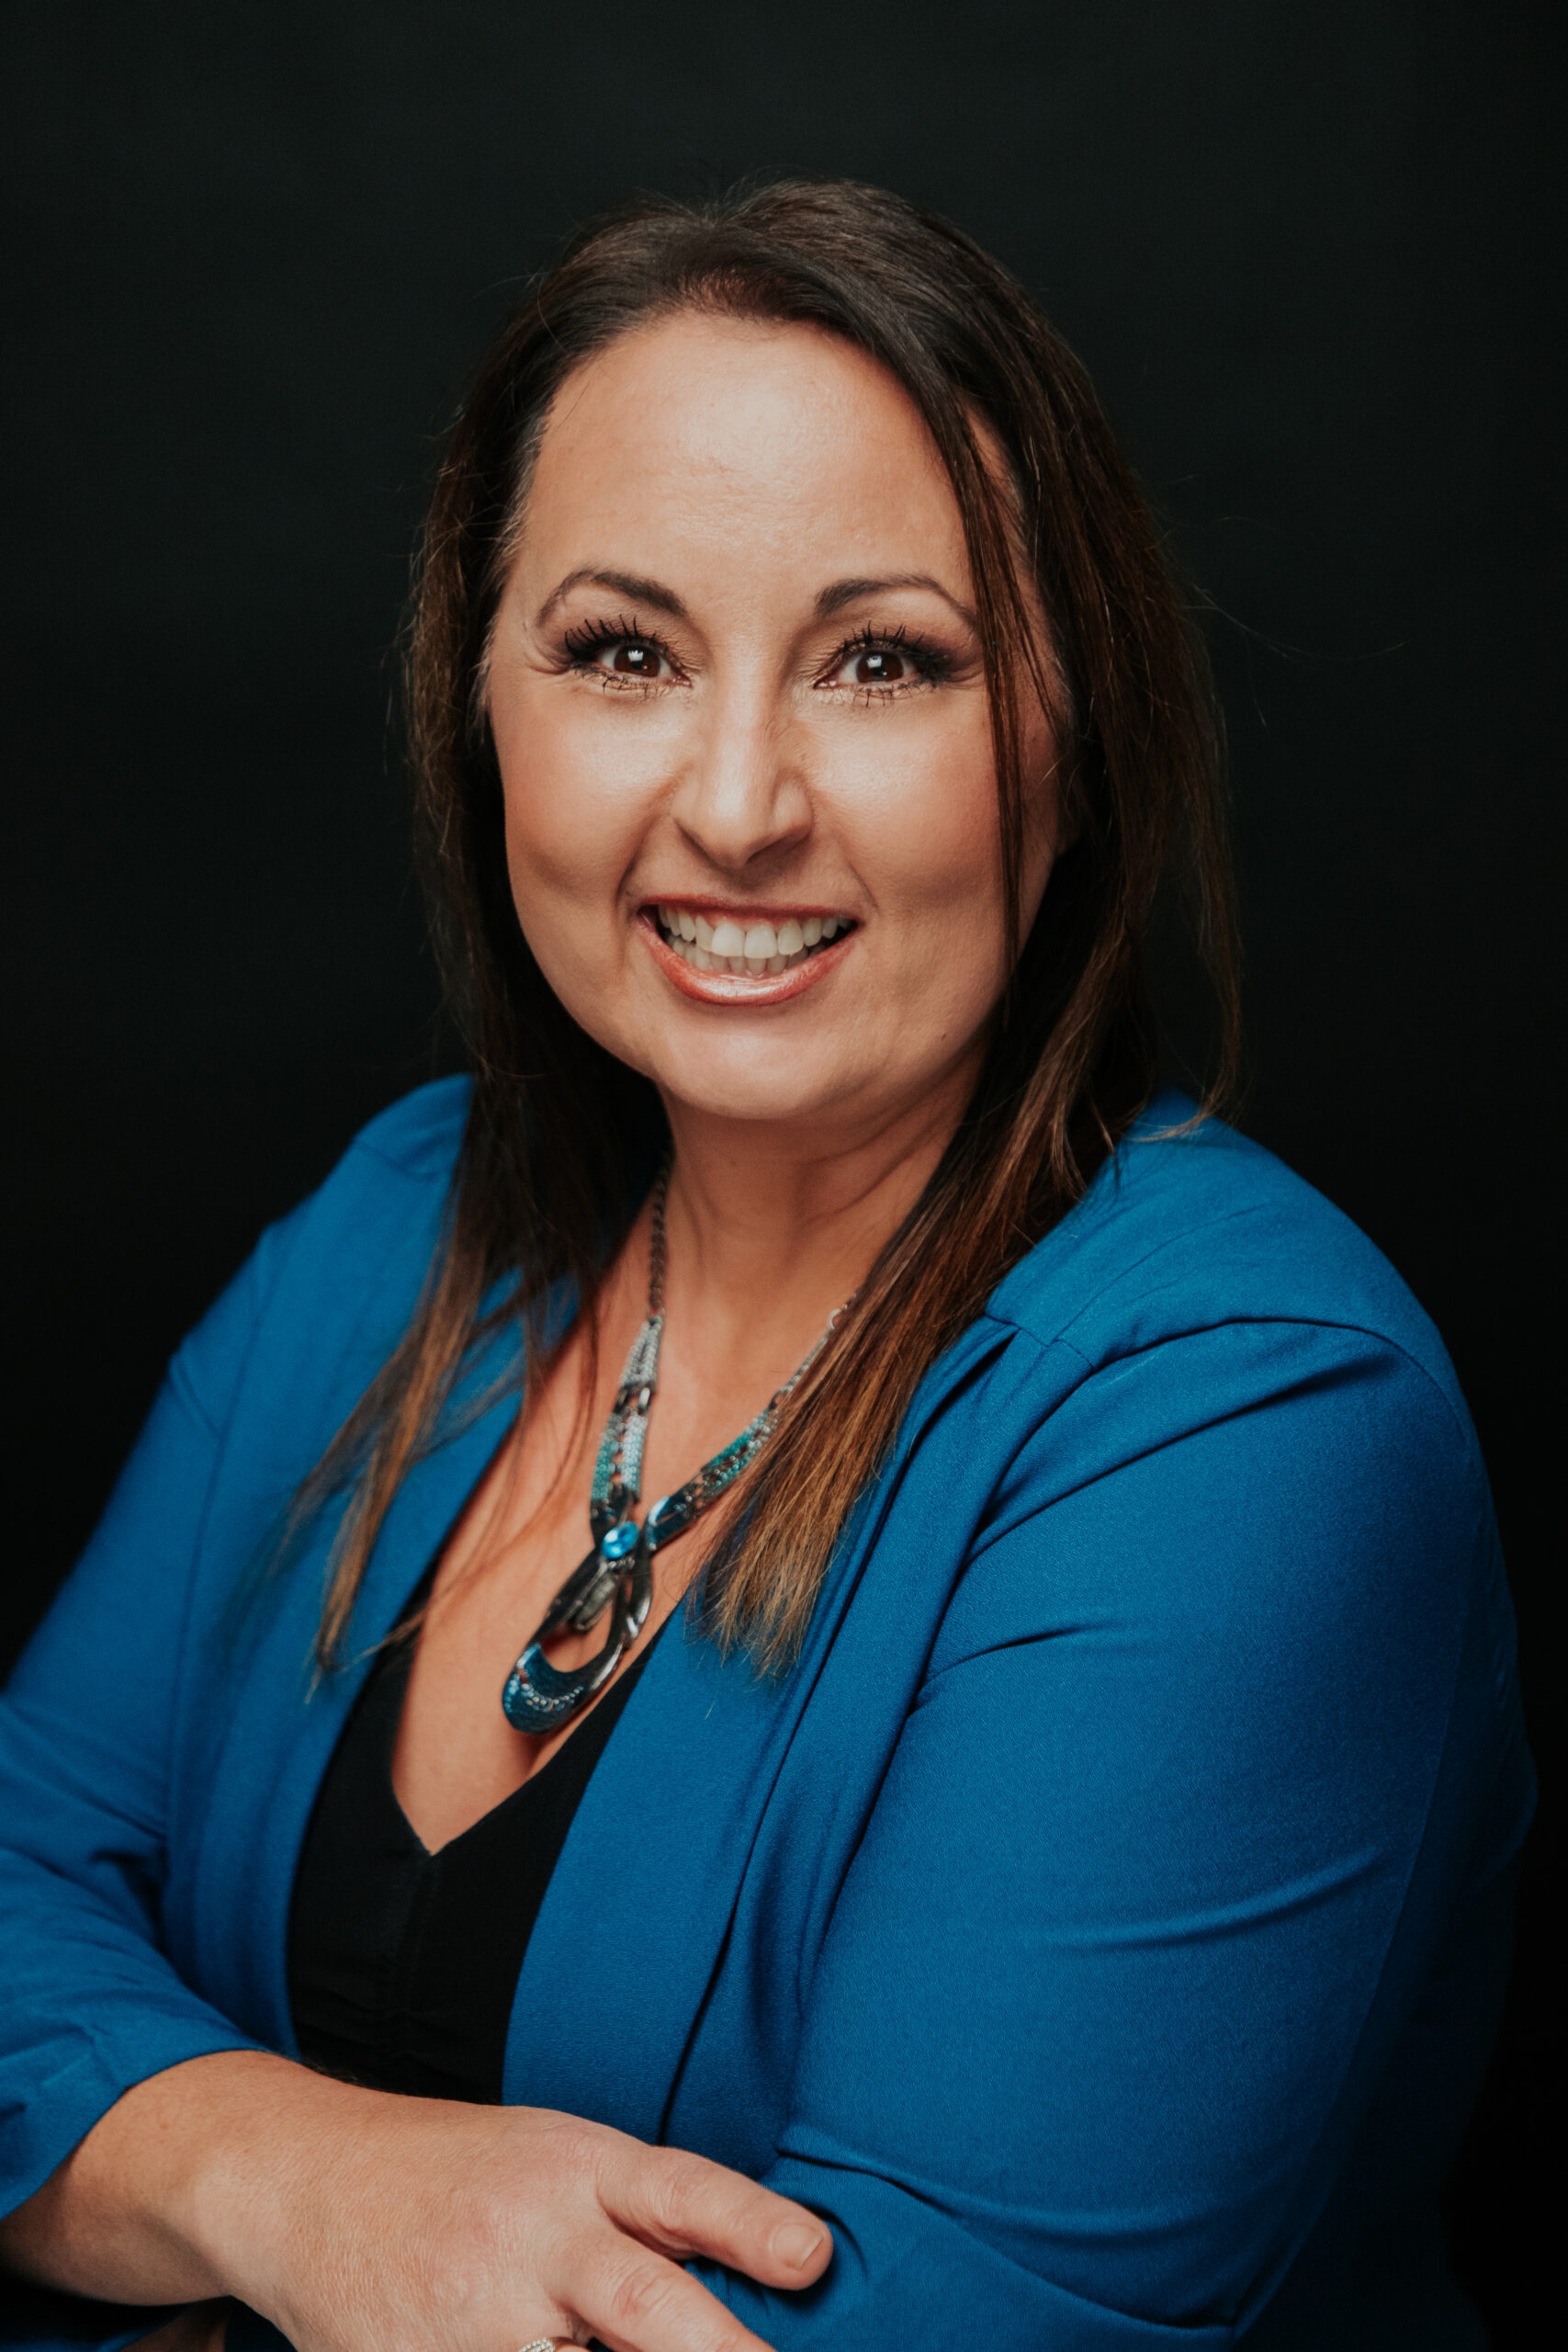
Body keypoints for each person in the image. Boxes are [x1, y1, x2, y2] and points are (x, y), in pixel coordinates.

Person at [0, 179, 1533, 2352]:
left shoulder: (1247, 1419)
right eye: (623, 651)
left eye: (882, 659)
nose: (733, 801)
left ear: (1063, 733)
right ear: (480, 704)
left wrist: (129, 2206)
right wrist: (291, 2176)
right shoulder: (398, 1222)